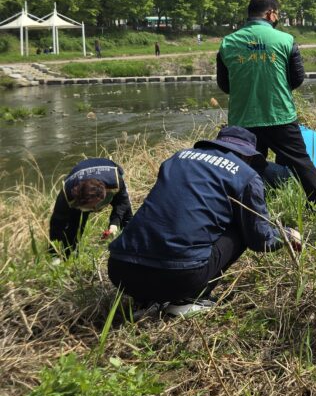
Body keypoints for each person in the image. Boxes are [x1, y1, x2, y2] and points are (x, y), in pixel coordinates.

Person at [107, 126, 301, 316]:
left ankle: (146, 299)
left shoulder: (176, 158)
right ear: (248, 155)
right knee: (243, 225)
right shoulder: (246, 175)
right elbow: (260, 240)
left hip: (121, 271)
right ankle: (190, 299)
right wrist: (286, 234)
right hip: (179, 277)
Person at [216, 0, 316, 212]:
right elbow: (297, 79)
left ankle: (246, 211)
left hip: (243, 119)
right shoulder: (285, 40)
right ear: (270, 13)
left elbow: (225, 85)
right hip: (280, 115)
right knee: (301, 161)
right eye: (277, 14)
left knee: (244, 166)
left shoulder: (228, 43)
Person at [49, 158, 133, 259]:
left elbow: (123, 203)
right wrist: (54, 254)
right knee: (73, 230)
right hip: (79, 194)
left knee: (127, 218)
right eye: (91, 208)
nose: (96, 210)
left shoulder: (115, 181)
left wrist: (114, 224)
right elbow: (56, 225)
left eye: (97, 205)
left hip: (108, 173)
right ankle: (69, 258)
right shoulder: (67, 196)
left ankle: (132, 246)